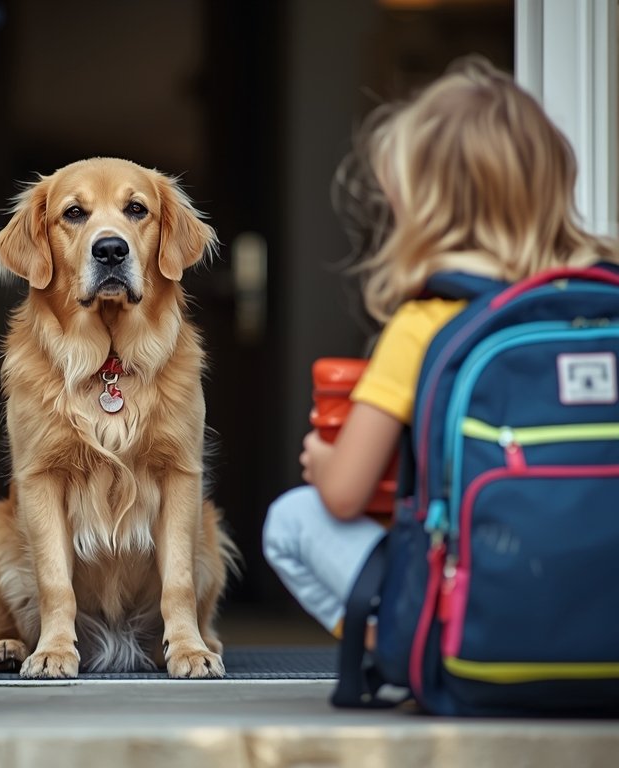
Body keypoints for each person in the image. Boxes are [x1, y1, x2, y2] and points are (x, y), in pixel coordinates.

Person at [262, 56, 618, 640]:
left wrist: (322, 463)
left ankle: (412, 650)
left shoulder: (427, 323)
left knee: (291, 520)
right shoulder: (602, 302)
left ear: (423, 208)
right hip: (603, 604)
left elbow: (347, 494)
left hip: (483, 612)